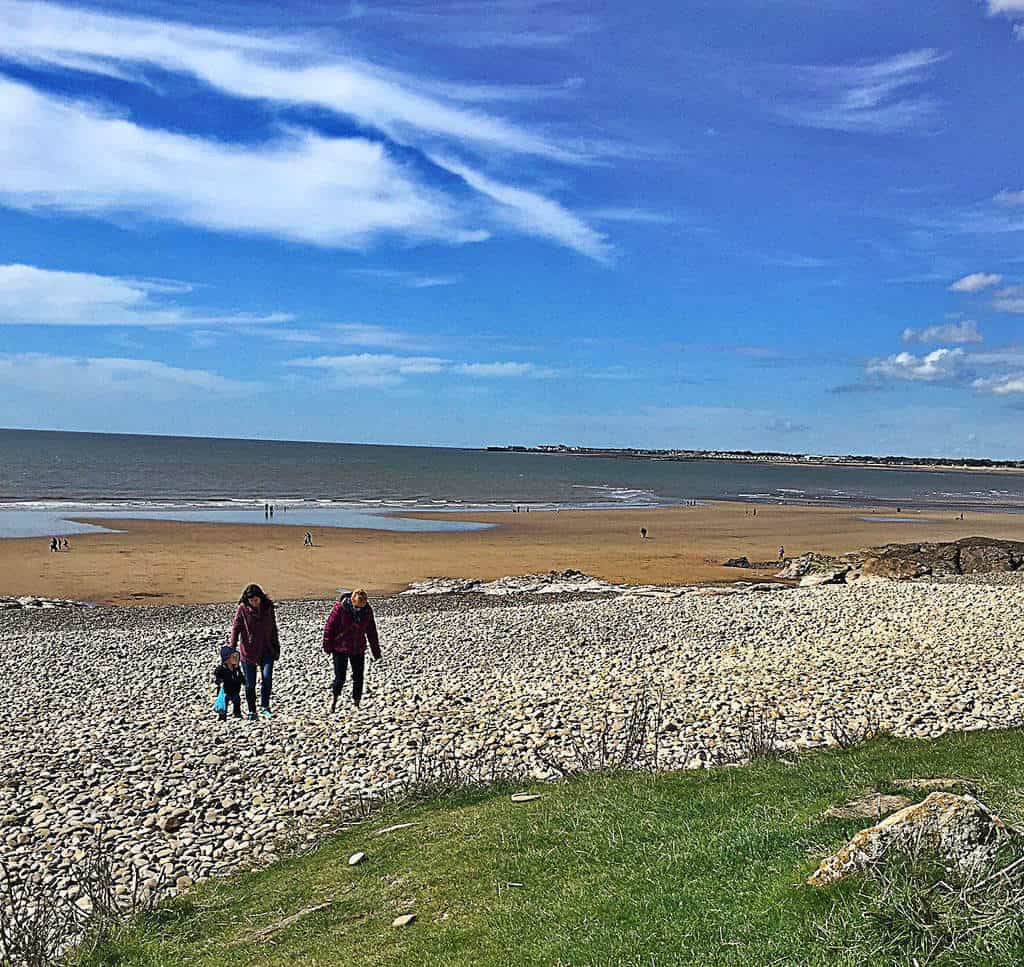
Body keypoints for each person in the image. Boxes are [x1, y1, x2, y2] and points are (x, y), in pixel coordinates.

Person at [322, 589, 381, 711]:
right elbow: (329, 627)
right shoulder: (340, 608)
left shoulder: (367, 611)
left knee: (359, 677)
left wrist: (376, 652)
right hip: (340, 648)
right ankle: (334, 701)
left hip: (357, 648)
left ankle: (356, 703)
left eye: (362, 607)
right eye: (357, 607)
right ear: (352, 601)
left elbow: (371, 632)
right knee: (340, 677)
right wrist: (327, 647)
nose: (360, 610)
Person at [230, 584, 280, 719]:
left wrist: (276, 647)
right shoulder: (242, 609)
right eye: (251, 601)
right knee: (250, 683)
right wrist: (232, 648)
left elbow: (273, 628)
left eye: (256, 600)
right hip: (248, 652)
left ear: (261, 598)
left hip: (267, 649)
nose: (254, 603)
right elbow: (236, 628)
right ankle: (252, 711)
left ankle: (265, 706)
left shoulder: (268, 608)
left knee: (267, 677)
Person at [213, 645, 244, 721]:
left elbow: (240, 676)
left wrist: (244, 681)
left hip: (235, 689)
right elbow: (217, 678)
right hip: (225, 690)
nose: (235, 659)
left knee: (237, 701)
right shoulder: (221, 669)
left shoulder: (236, 668)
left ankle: (237, 713)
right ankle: (222, 716)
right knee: (224, 703)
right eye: (233, 657)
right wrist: (220, 682)